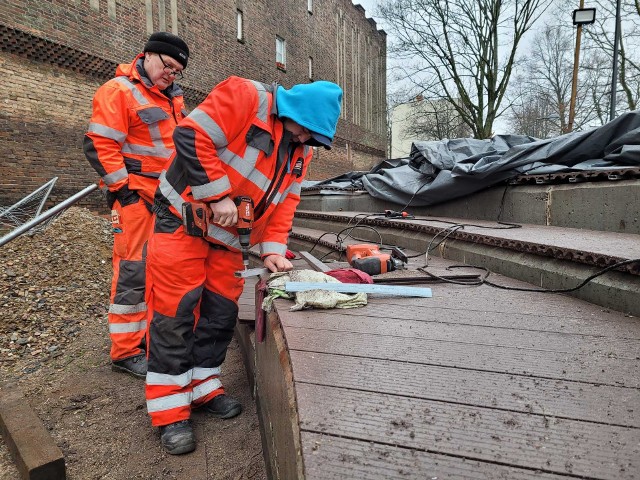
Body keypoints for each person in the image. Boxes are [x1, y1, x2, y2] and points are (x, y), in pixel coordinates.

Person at [145, 76, 343, 454]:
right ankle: (170, 413)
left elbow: (286, 202)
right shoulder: (245, 97)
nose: (305, 141)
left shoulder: (303, 149)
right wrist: (216, 193)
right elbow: (190, 136)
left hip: (227, 239)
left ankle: (204, 387)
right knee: (176, 313)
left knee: (220, 313)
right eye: (305, 132)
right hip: (182, 221)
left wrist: (272, 249)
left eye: (313, 138)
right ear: (293, 111)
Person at [83, 32, 190, 378]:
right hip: (135, 200)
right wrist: (124, 192)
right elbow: (99, 144)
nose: (170, 75)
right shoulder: (118, 91)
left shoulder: (172, 98)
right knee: (131, 273)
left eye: (176, 72)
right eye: (167, 66)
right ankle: (126, 350)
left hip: (161, 199)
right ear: (147, 55)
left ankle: (144, 339)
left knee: (155, 270)